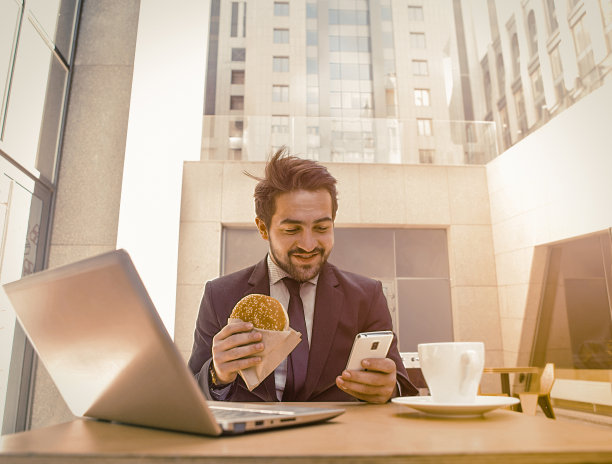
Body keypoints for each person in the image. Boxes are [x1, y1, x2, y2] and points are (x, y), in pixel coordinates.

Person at [188, 148, 417, 403]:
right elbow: (188, 393)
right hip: (251, 441)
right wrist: (216, 375)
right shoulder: (219, 296)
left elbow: (402, 386)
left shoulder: (367, 296)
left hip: (338, 439)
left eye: (321, 228)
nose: (308, 244)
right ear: (263, 228)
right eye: (292, 229)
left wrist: (389, 388)